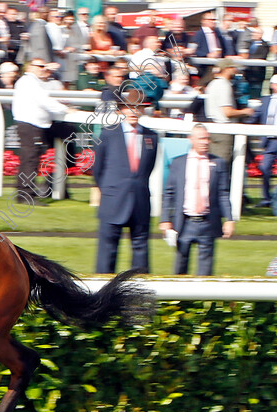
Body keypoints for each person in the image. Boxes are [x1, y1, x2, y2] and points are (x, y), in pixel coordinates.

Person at [93, 90, 158, 274]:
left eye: (137, 108)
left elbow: (148, 169)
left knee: (141, 252)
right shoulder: (108, 134)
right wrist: (110, 189)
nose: (133, 111)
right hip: (113, 201)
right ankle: (102, 298)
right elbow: (98, 170)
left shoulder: (151, 137)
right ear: (121, 110)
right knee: (107, 253)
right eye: (128, 107)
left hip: (140, 202)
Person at [159, 124, 235, 276]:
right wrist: (165, 219)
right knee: (180, 264)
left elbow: (223, 193)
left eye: (207, 139)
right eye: (201, 138)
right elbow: (169, 193)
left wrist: (229, 219)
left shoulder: (218, 163)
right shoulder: (179, 163)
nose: (205, 142)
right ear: (191, 139)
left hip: (207, 222)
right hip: (184, 222)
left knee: (206, 269)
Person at [11, 58, 71, 204]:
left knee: (31, 159)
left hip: (34, 124)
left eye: (45, 66)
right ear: (29, 67)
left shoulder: (35, 82)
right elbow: (43, 100)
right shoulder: (28, 81)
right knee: (29, 160)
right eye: (41, 66)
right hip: (29, 124)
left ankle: (28, 192)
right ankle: (25, 195)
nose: (44, 69)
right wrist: (65, 109)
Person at [204, 58, 254, 165]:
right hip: (223, 131)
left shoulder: (212, 83)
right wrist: (245, 112)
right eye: (233, 67)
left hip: (213, 128)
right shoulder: (224, 85)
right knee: (221, 166)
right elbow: (227, 112)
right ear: (226, 69)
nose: (235, 70)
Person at [251, 74, 277, 209]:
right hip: (269, 141)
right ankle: (266, 198)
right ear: (272, 86)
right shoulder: (265, 100)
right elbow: (256, 116)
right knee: (264, 168)